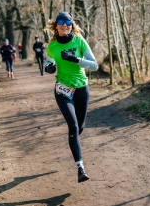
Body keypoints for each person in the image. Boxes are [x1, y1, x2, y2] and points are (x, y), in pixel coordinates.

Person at [44, 12, 98, 183]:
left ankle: (73, 142)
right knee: (73, 126)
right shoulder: (52, 46)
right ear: (56, 26)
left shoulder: (79, 41)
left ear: (71, 25)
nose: (64, 25)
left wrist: (76, 59)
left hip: (81, 89)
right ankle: (80, 168)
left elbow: (94, 65)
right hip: (63, 90)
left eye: (68, 22)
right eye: (61, 22)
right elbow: (48, 62)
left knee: (79, 127)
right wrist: (49, 68)